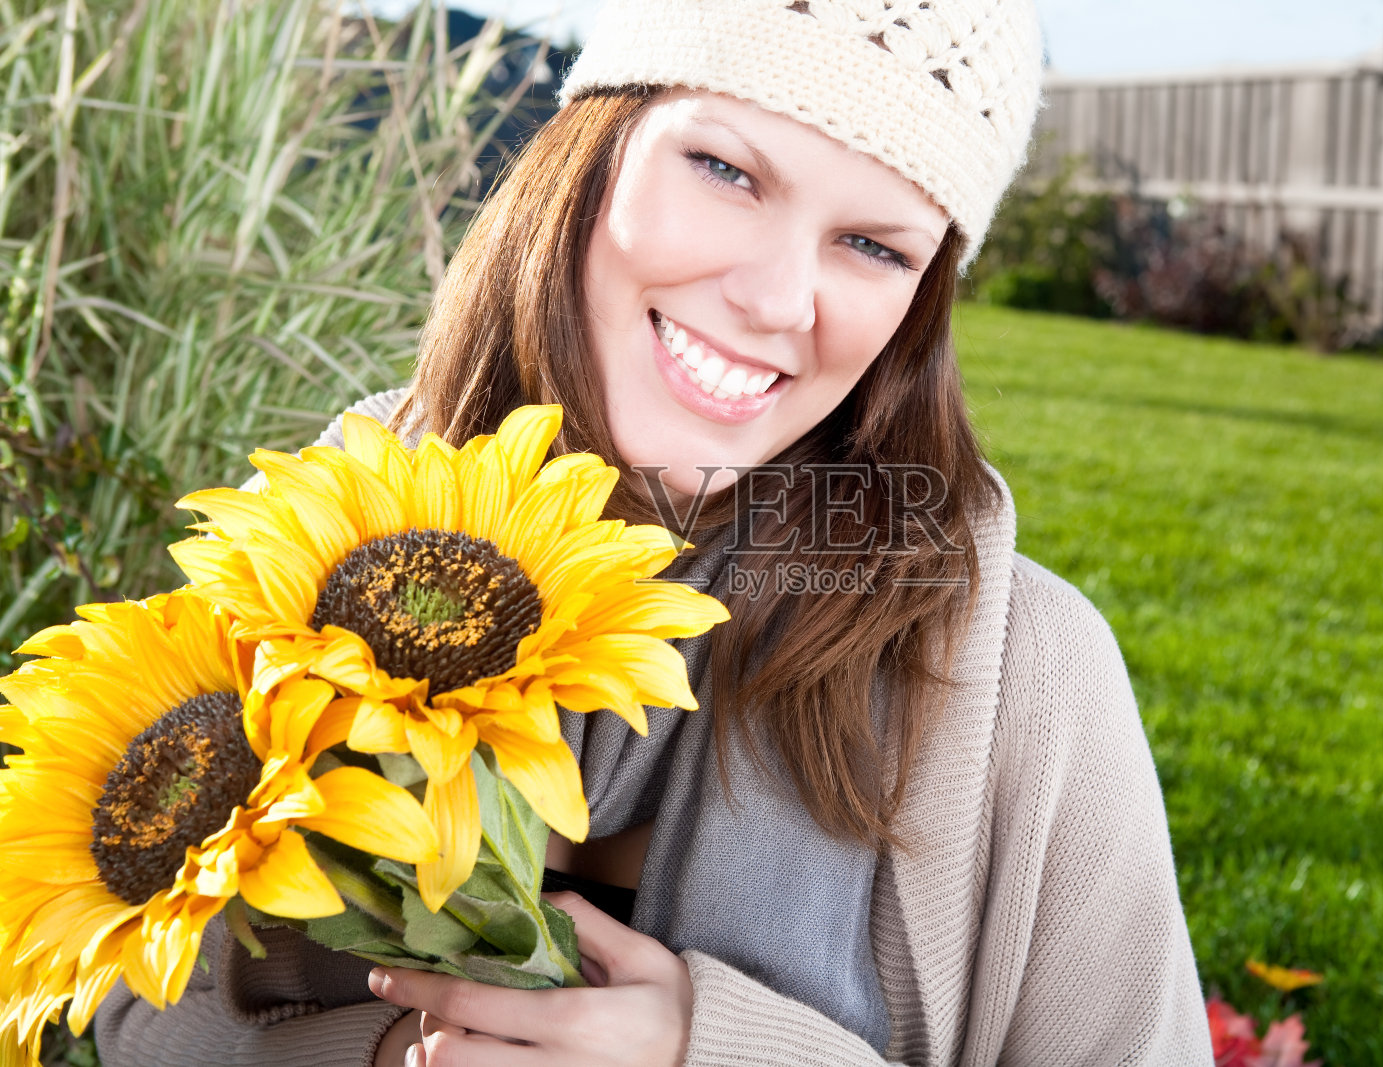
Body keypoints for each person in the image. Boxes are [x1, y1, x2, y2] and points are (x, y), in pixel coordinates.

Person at [94, 1, 1212, 1064]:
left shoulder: (1028, 674)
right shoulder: (317, 534)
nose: (777, 297)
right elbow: (136, 1006)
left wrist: (715, 1048)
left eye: (874, 245)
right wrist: (393, 1051)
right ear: (594, 153)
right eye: (724, 170)